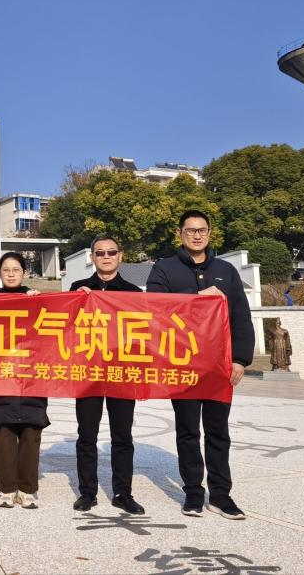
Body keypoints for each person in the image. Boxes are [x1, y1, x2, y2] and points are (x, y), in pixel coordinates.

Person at [146, 210, 254, 520]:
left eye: (202, 230)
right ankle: (193, 492)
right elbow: (156, 310)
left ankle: (221, 495)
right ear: (179, 233)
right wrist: (196, 297)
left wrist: (240, 359)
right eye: (191, 230)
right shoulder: (164, 269)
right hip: (183, 365)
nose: (197, 235)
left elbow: (241, 317)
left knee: (218, 431)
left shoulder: (226, 270)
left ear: (209, 233)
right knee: (188, 431)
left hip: (219, 366)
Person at [69, 236, 145, 515]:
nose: (106, 257)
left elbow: (146, 333)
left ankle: (123, 493)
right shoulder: (78, 288)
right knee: (86, 435)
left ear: (120, 256)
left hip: (122, 372)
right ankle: (87, 492)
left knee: (122, 436)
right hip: (88, 371)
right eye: (100, 253)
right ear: (92, 257)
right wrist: (77, 302)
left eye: (111, 252)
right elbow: (65, 326)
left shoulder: (134, 292)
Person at [0, 252, 47, 509]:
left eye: (16, 269)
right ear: (0, 273)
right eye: (6, 269)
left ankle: (28, 489)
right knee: (4, 436)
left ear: (24, 272)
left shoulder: (37, 300)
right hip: (1, 377)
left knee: (31, 436)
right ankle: (7, 488)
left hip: (32, 378)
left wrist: (40, 302)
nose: (11, 274)